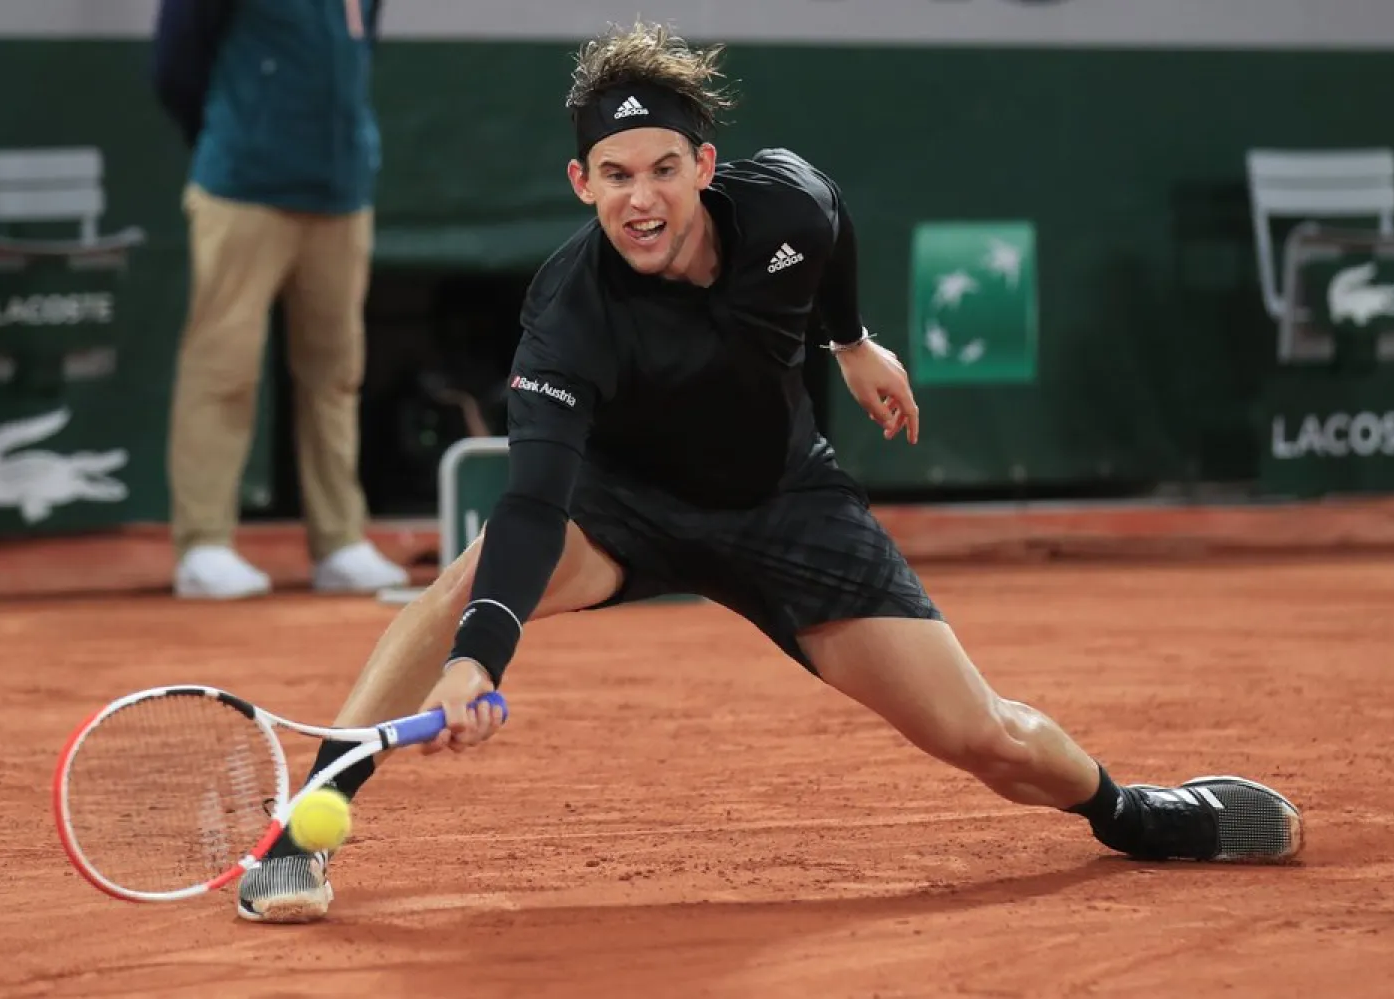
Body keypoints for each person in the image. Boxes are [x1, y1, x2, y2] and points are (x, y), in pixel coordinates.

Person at [235, 22, 1303, 923]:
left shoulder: (787, 204)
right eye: (614, 175)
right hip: (623, 506)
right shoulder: (568, 316)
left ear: (706, 165)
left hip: (785, 504)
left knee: (982, 734)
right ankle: (305, 827)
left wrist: (849, 340)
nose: (640, 199)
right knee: (457, 591)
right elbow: (530, 502)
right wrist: (477, 664)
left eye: (662, 168)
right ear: (581, 183)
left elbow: (832, 224)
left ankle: (1138, 815)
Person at [151, 0, 410, 599]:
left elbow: (356, 53)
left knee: (336, 372)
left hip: (342, 192)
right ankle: (204, 545)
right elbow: (175, 66)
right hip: (243, 187)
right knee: (223, 367)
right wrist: (236, 131)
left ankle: (340, 541)